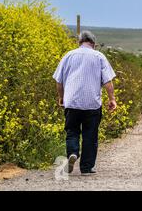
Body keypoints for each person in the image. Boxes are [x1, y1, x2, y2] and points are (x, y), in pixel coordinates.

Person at [53, 31, 117, 175]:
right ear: (93, 43)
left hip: (72, 102)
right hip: (92, 104)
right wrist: (111, 99)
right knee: (90, 135)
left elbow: (59, 80)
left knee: (72, 131)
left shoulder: (68, 55)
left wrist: (61, 97)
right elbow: (108, 81)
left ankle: (72, 153)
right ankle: (87, 168)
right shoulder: (99, 56)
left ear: (79, 42)